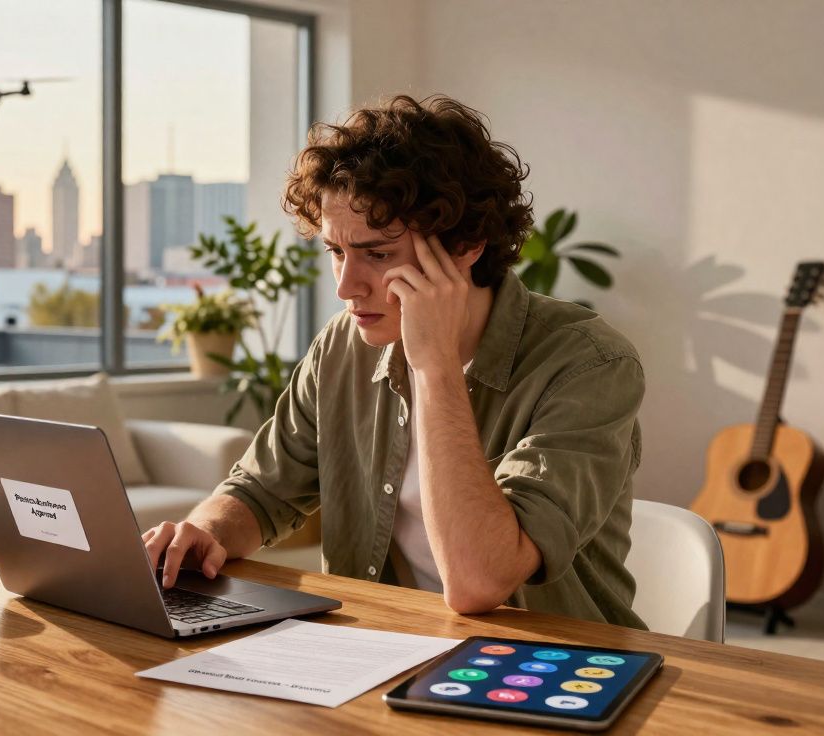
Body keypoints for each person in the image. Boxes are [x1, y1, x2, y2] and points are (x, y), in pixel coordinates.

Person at [142, 95, 646, 628]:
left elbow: (480, 581)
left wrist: (435, 369)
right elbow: (260, 490)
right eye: (337, 251)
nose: (344, 286)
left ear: (466, 245)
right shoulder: (342, 347)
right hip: (380, 652)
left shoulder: (591, 365)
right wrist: (206, 533)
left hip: (551, 671)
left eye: (377, 255)